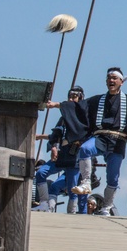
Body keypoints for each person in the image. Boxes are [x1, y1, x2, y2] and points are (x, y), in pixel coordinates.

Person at [49, 68, 127, 216]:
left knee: (113, 176)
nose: (111, 80)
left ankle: (106, 207)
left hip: (118, 140)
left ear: (121, 81)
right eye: (109, 78)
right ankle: (86, 182)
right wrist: (57, 104)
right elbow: (78, 106)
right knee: (85, 149)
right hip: (100, 137)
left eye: (115, 78)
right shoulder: (98, 100)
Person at [35, 86, 88, 214]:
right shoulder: (64, 117)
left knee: (72, 189)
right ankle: (44, 204)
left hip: (74, 156)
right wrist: (53, 146)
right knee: (41, 173)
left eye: (74, 97)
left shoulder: (84, 117)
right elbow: (56, 132)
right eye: (69, 96)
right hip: (61, 154)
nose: (70, 99)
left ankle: (71, 213)